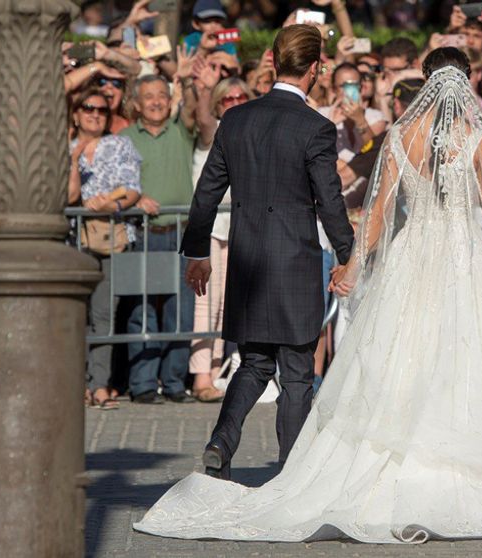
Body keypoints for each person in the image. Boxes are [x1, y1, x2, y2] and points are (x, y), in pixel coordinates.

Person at [135, 47, 482, 544]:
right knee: (465, 355)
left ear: (425, 82)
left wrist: (353, 266)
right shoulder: (475, 139)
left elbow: (377, 212)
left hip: (411, 258)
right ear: (465, 84)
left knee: (399, 354)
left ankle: (320, 462)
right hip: (461, 261)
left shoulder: (401, 135)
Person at [178, 24, 355, 479]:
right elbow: (329, 200)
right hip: (294, 261)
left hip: (248, 259)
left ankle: (221, 442)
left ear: (274, 62)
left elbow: (207, 192)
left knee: (254, 362)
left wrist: (197, 252)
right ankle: (290, 473)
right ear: (315, 69)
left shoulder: (236, 119)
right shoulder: (315, 127)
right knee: (296, 372)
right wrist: (347, 254)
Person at [118, 74, 203, 404]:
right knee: (142, 310)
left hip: (181, 232)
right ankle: (142, 384)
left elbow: (194, 109)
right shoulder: (124, 138)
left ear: (170, 101)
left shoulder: (182, 131)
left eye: (161, 96)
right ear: (136, 104)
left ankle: (174, 382)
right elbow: (114, 182)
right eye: (148, 96)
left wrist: (191, 81)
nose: (155, 102)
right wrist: (134, 198)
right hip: (143, 232)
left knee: (180, 309)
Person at [67, 88, 142, 410]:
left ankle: (99, 385)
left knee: (103, 314)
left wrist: (111, 204)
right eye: (88, 108)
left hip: (111, 238)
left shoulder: (120, 144)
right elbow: (69, 197)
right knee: (75, 314)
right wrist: (73, 162)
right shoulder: (64, 147)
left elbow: (133, 190)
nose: (95, 114)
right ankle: (77, 383)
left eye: (101, 109)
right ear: (76, 114)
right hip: (72, 241)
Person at [187, 77, 252, 403]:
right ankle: (200, 376)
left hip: (236, 228)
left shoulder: (249, 133)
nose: (235, 102)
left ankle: (214, 372)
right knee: (206, 303)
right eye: (228, 99)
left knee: (226, 305)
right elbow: (202, 120)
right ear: (218, 104)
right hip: (209, 229)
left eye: (241, 97)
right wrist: (203, 90)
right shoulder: (214, 130)